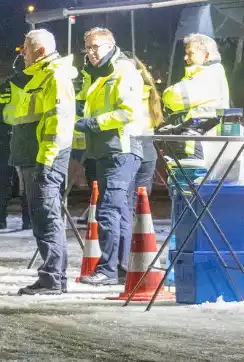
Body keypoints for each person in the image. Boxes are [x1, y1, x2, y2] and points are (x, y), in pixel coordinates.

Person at [75, 27, 150, 286]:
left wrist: (93, 124)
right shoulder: (94, 74)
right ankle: (119, 268)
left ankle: (107, 270)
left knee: (109, 209)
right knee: (119, 211)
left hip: (121, 149)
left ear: (110, 45)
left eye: (96, 46)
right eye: (88, 47)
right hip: (105, 150)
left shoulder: (123, 70)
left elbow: (128, 112)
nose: (91, 52)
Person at [9, 29, 77, 295]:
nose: (22, 53)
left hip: (44, 159)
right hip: (35, 158)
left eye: (25, 48)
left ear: (39, 51)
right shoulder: (40, 76)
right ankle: (51, 276)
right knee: (42, 218)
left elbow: (57, 124)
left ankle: (53, 278)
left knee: (47, 219)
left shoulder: (54, 76)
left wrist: (46, 161)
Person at [121, 58, 164, 277]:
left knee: (126, 207)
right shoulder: (150, 92)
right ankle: (142, 257)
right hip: (149, 152)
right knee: (141, 209)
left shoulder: (129, 92)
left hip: (132, 150)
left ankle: (127, 260)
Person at [162, 33, 230, 159]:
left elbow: (173, 97)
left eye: (190, 53)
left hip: (194, 144)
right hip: (197, 141)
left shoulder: (207, 75)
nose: (185, 58)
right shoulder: (210, 73)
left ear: (206, 55)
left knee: (189, 177)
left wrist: (166, 94)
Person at [0, 52, 32, 231]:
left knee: (3, 180)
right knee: (28, 181)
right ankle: (29, 220)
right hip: (29, 137)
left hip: (8, 137)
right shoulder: (39, 85)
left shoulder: (6, 87)